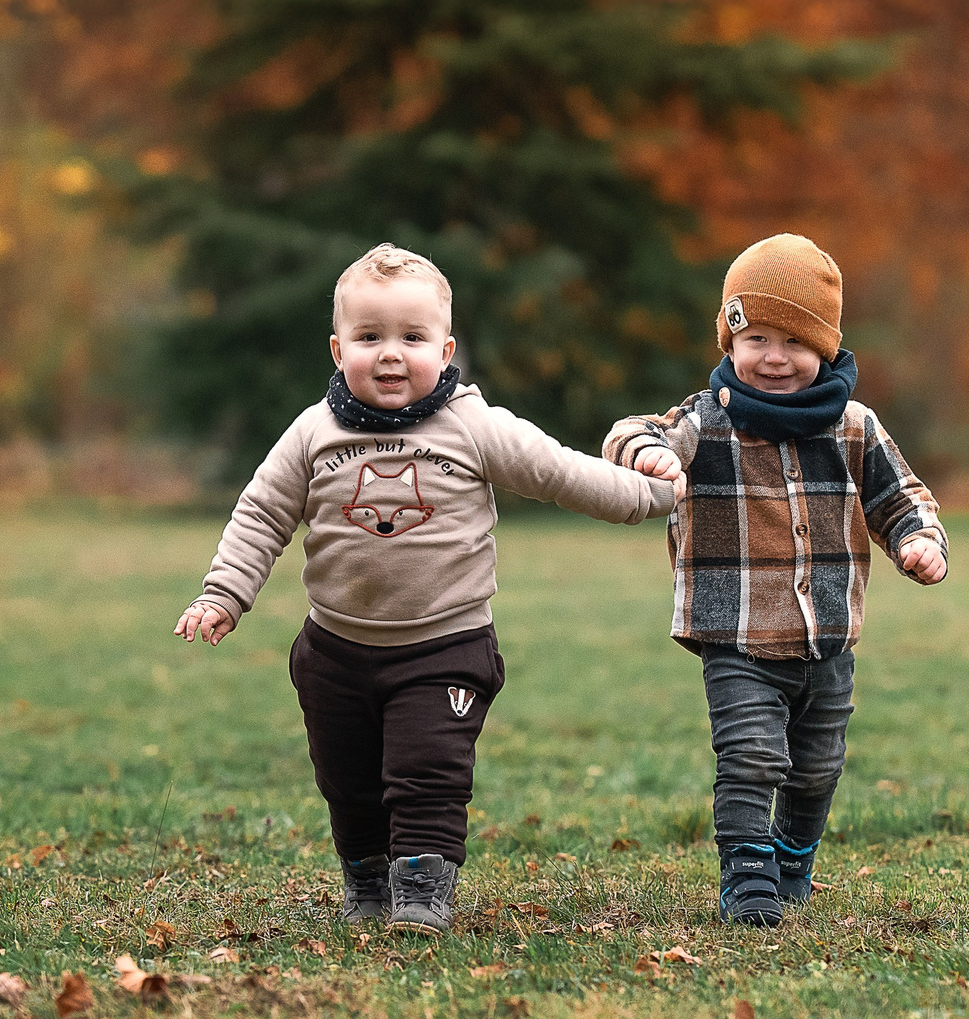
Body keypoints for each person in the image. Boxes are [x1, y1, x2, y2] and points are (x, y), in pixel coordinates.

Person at [174, 243, 677, 935]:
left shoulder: (473, 426)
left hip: (445, 645)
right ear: (336, 348)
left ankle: (422, 887)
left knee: (427, 770)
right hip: (335, 649)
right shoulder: (313, 433)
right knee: (347, 782)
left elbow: (565, 473)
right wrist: (222, 595)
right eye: (369, 336)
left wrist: (655, 495)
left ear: (444, 350)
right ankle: (367, 877)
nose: (389, 354)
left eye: (411, 338)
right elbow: (262, 514)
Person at [603, 234, 947, 926]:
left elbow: (901, 497)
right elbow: (629, 432)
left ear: (824, 345)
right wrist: (646, 456)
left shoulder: (854, 428)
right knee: (751, 755)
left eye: (793, 339)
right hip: (734, 633)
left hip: (828, 637)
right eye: (755, 336)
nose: (774, 357)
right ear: (729, 339)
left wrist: (919, 540)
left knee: (817, 767)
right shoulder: (705, 422)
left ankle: (792, 855)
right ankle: (748, 876)